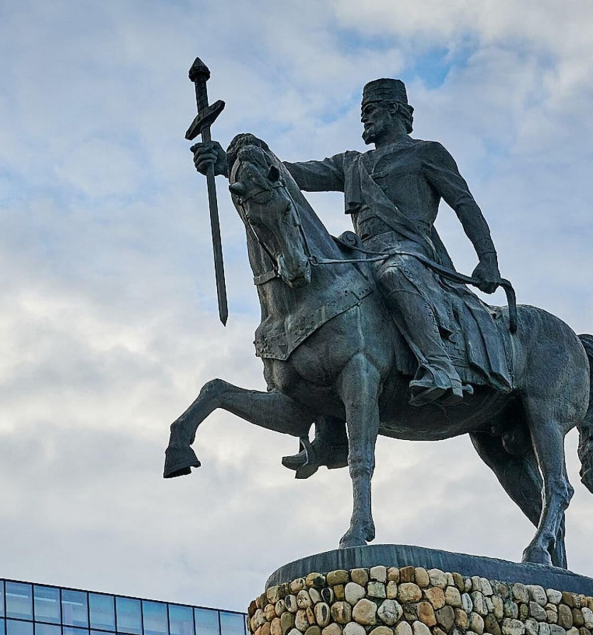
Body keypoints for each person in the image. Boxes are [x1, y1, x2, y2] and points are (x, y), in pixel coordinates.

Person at [193, 78, 512, 474]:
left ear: (400, 114)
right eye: (363, 113)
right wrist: (228, 165)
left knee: (395, 273)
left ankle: (439, 366)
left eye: (373, 112)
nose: (365, 120)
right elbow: (290, 176)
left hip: (410, 253)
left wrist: (488, 259)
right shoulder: (352, 164)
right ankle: (329, 430)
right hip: (360, 255)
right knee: (329, 310)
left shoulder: (426, 154)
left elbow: (463, 202)